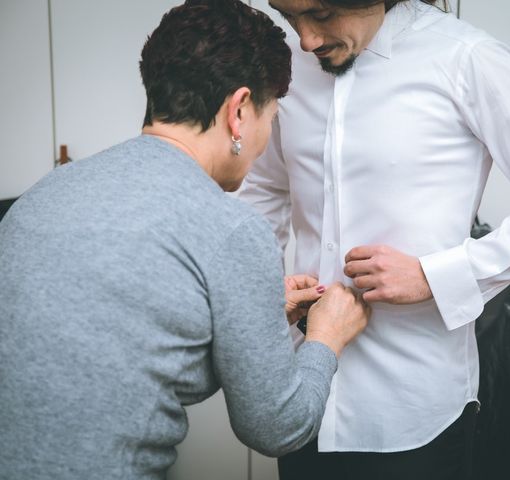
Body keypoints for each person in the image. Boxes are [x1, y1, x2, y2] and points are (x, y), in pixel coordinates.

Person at [0, 1, 370, 479]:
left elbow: (112, 346)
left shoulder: (46, 191)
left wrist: (251, 313)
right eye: (270, 117)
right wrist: (326, 338)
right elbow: (276, 428)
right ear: (239, 112)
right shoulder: (231, 228)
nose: (265, 141)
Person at [237, 0, 510, 479]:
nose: (307, 39)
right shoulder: (289, 64)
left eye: (323, 15)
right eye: (290, 17)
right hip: (304, 394)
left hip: (414, 413)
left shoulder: (465, 58)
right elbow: (266, 188)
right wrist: (262, 292)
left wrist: (439, 276)